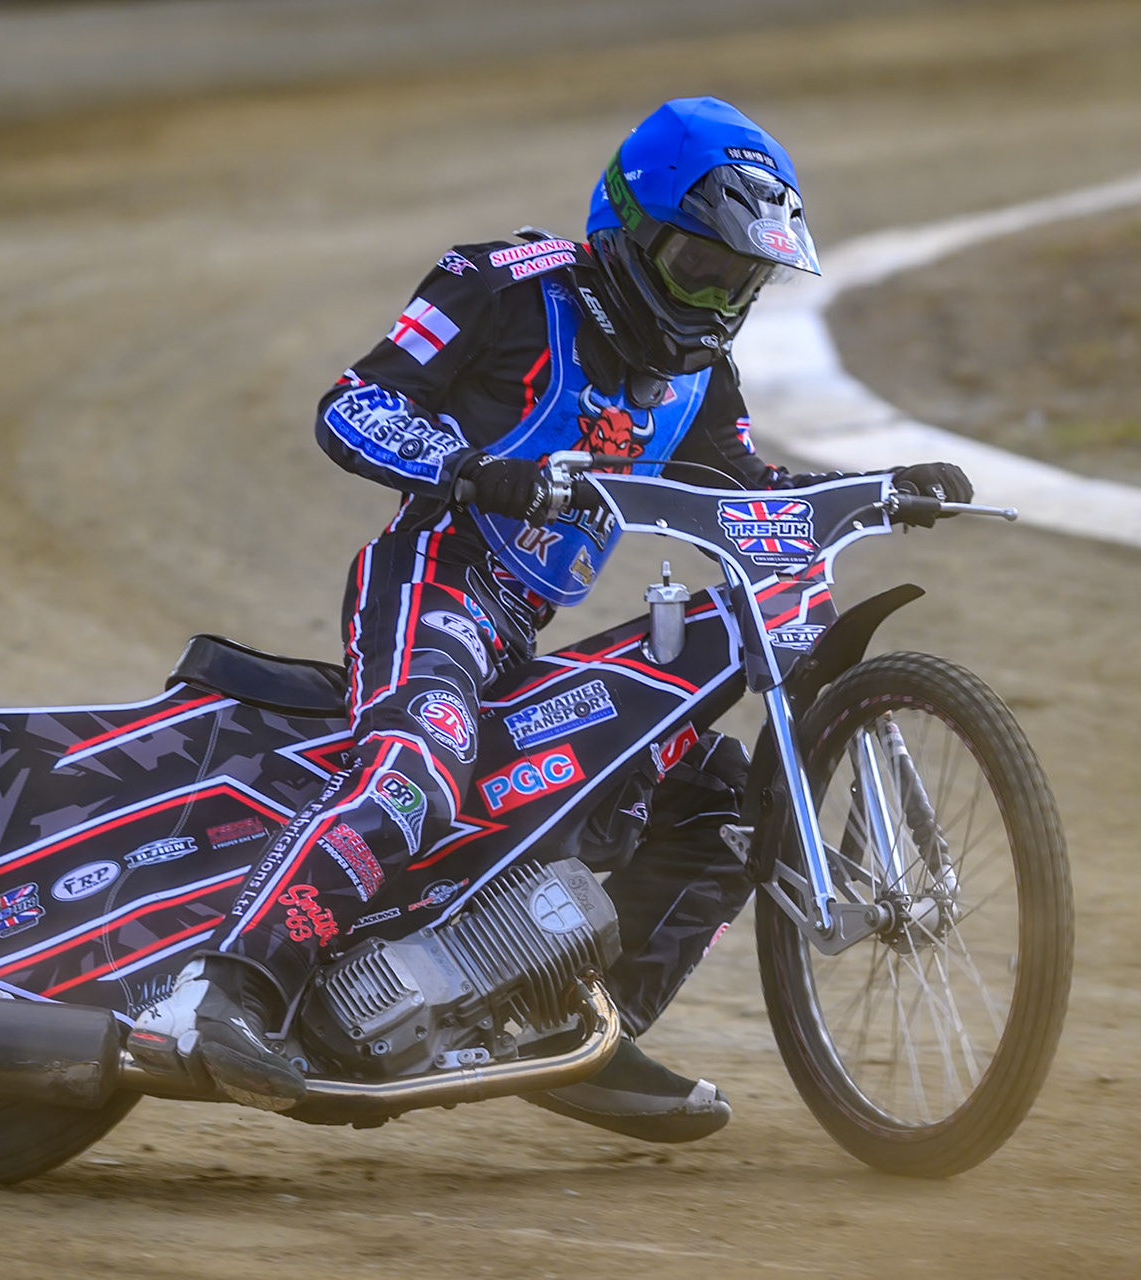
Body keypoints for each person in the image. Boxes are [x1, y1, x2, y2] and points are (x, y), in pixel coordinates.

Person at [131, 97, 973, 1137]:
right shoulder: (496, 284)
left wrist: (879, 486)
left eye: (738, 280)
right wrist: (472, 469)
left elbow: (747, 493)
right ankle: (225, 990)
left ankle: (583, 1037)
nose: (714, 300)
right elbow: (352, 405)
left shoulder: (699, 371)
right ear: (625, 227)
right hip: (432, 586)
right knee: (420, 757)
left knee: (720, 797)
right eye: (696, 267)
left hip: (517, 632)